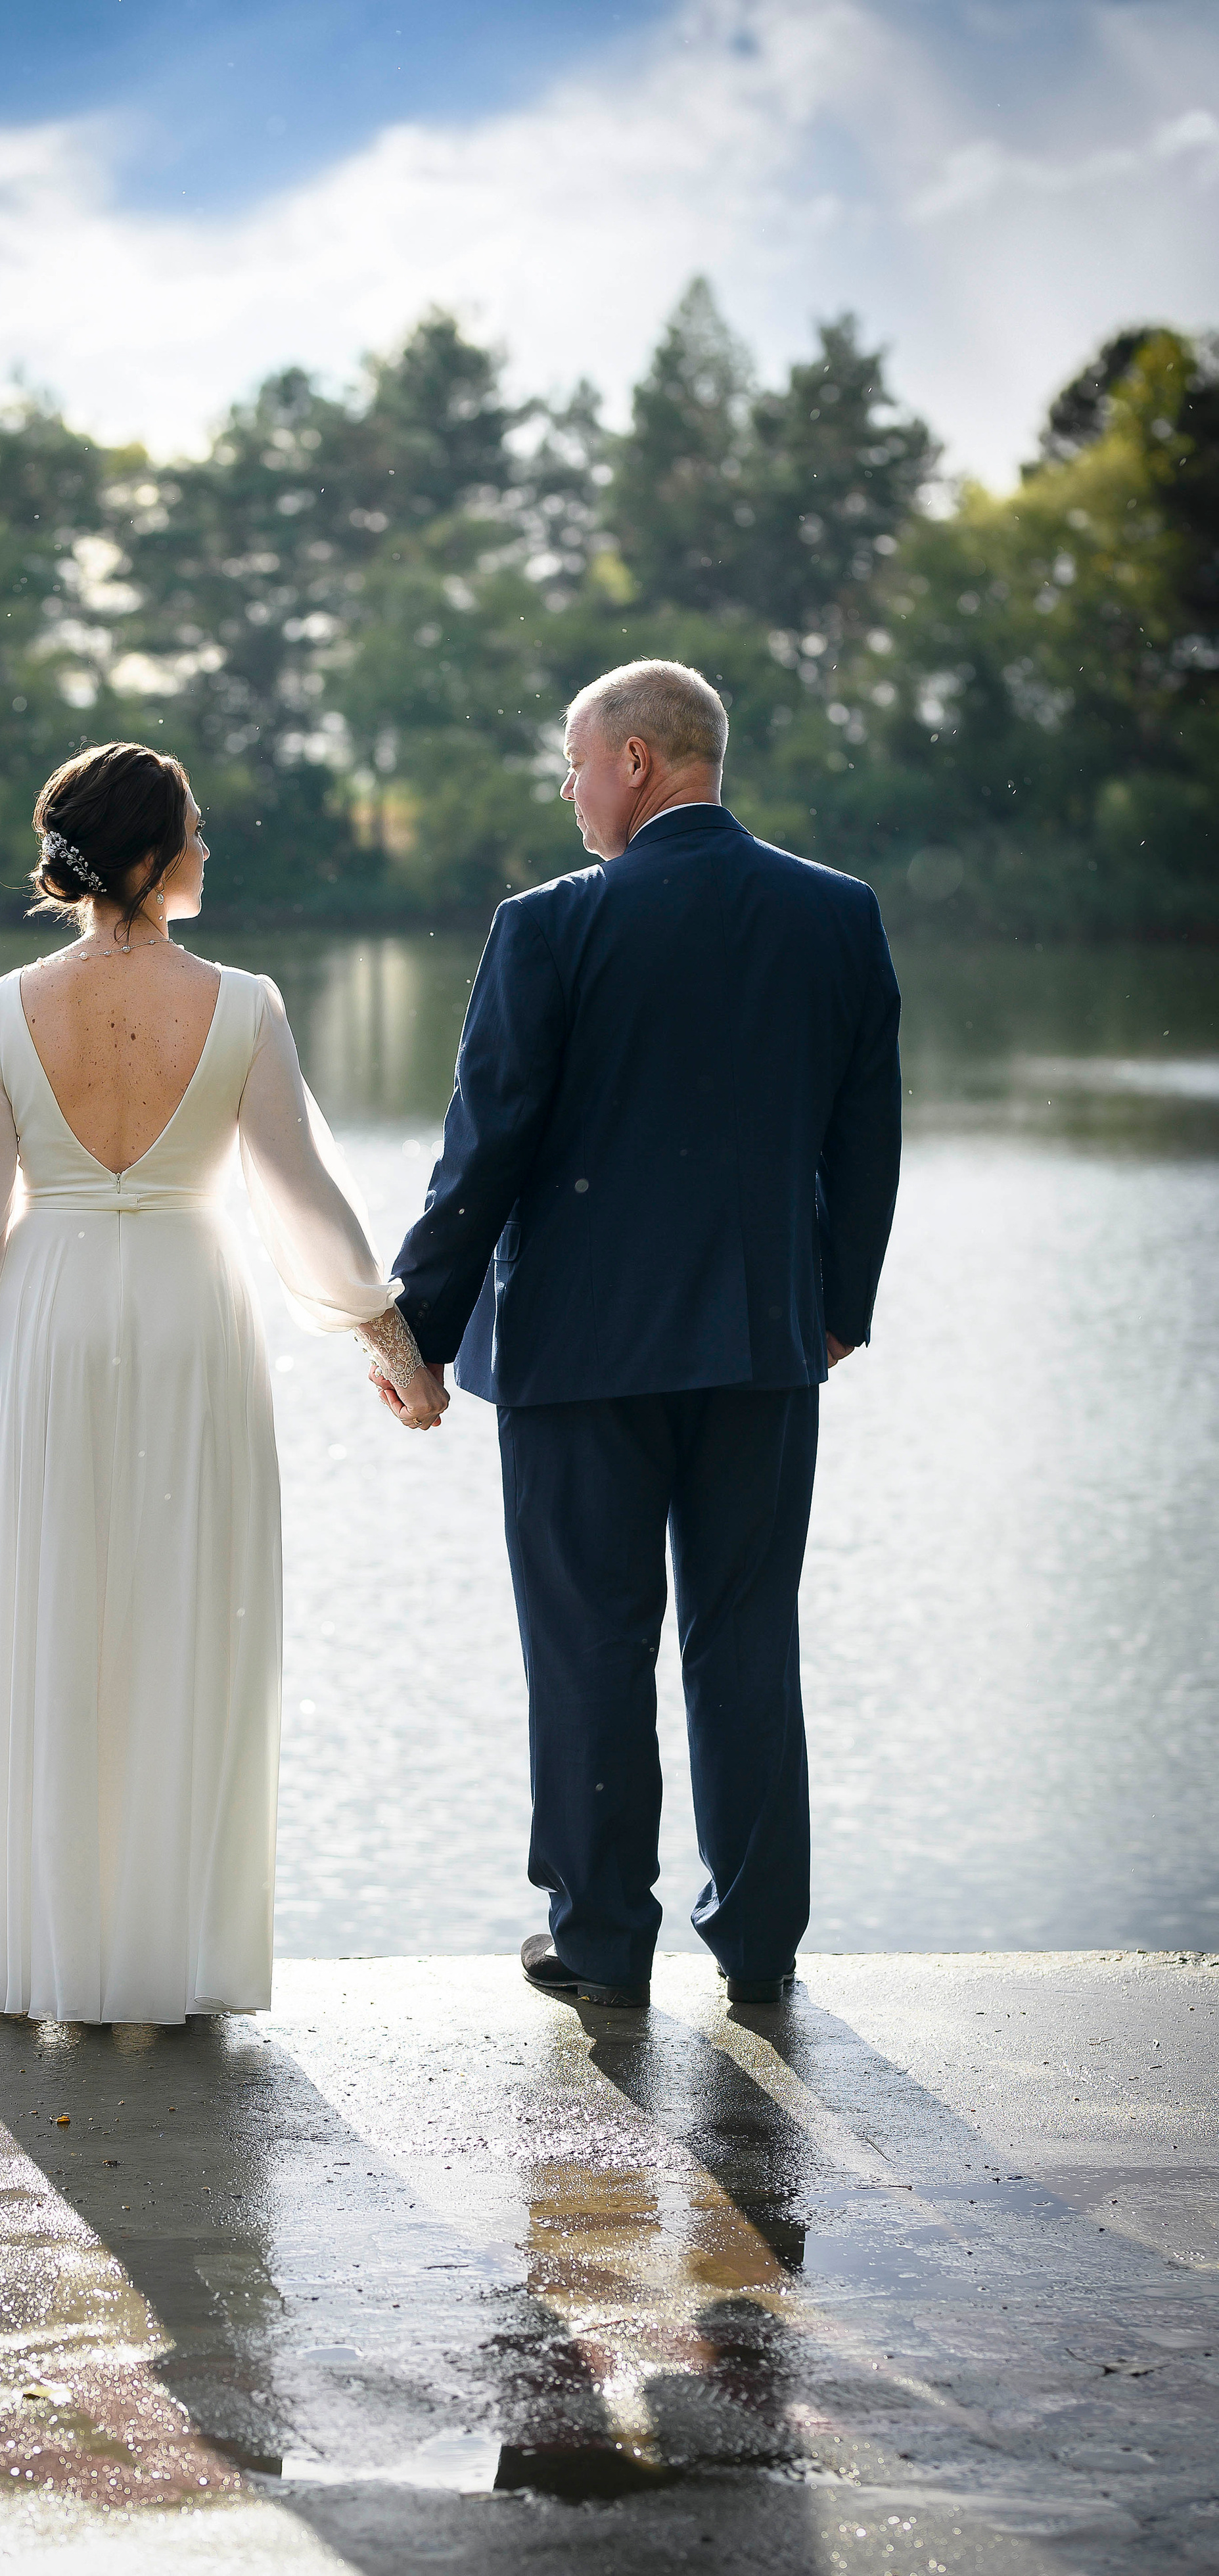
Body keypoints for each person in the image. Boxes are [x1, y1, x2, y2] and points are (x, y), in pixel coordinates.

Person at [0, 741, 444, 2027]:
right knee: (186, 1618)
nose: (207, 849)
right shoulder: (243, 1004)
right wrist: (394, 1349)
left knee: (46, 1619)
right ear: (145, 855)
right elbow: (302, 1199)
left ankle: (35, 1951)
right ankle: (162, 1958)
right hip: (192, 1313)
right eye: (191, 830)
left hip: (49, 1316)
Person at [379, 660, 902, 2010]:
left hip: (575, 1353)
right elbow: (866, 1136)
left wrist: (416, 1328)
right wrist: (836, 1306)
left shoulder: (548, 927)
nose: (566, 791)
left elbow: (482, 1150)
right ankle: (759, 1940)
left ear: (631, 762)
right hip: (760, 1342)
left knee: (590, 1644)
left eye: (573, 764)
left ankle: (603, 1940)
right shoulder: (834, 914)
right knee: (744, 1634)